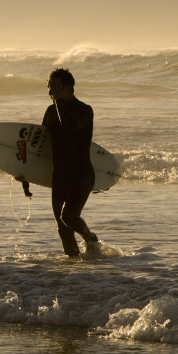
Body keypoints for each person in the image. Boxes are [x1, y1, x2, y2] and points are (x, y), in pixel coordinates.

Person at [43, 68, 101, 256]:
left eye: (57, 87)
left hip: (81, 174)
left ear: (69, 88)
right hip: (59, 176)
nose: (52, 92)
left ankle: (90, 237)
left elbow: (68, 128)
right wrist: (24, 175)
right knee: (63, 229)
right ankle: (73, 275)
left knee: (69, 216)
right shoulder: (51, 111)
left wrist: (59, 101)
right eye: (50, 87)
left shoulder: (84, 110)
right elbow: (40, 148)